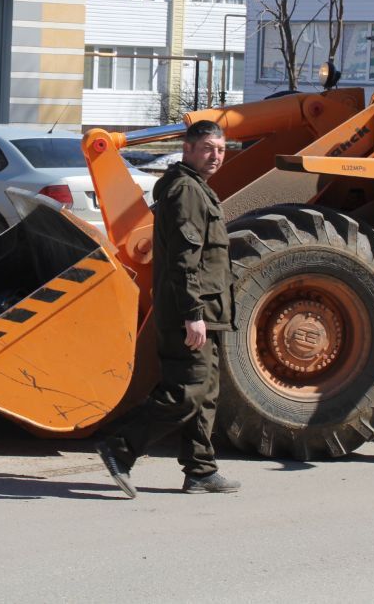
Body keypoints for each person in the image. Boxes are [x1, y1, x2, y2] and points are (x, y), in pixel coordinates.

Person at [95, 120, 240, 498]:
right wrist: (192, 313)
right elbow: (182, 260)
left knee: (206, 392)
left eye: (221, 149)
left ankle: (201, 471)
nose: (216, 156)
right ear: (188, 149)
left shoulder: (198, 189)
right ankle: (119, 448)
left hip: (206, 311)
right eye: (208, 148)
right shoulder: (186, 192)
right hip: (187, 312)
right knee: (186, 391)